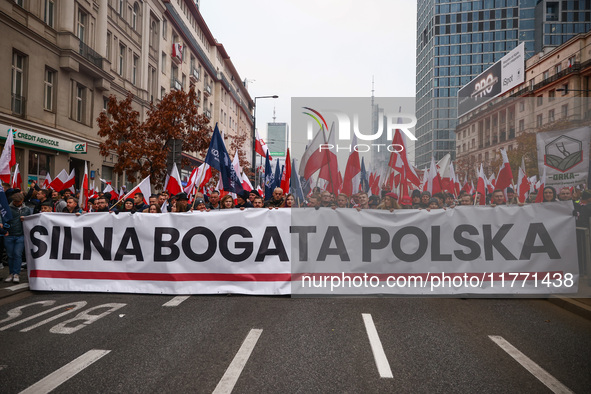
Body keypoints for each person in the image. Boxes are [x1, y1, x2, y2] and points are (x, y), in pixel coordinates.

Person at [3, 193, 32, 283]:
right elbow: (3, 219)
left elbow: (31, 220)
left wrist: (26, 218)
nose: (16, 203)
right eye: (15, 201)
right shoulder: (7, 209)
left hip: (21, 235)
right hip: (9, 235)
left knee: (17, 254)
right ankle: (11, 273)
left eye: (18, 201)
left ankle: (16, 273)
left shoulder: (27, 209)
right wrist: (4, 230)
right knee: (10, 255)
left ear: (22, 201)